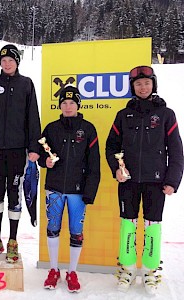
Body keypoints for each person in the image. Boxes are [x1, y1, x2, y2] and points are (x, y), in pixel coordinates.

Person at [105, 66, 184, 295]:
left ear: (153, 85)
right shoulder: (123, 115)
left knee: (152, 227)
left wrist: (172, 179)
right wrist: (116, 169)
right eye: (138, 84)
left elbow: (176, 150)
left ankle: (150, 272)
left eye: (147, 83)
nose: (143, 87)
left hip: (156, 182)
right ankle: (127, 270)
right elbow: (111, 146)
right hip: (128, 182)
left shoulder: (166, 114)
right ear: (133, 87)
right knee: (128, 225)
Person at [0, 44, 41, 263]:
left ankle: (13, 240)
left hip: (18, 149)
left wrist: (34, 148)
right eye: (3, 60)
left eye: (10, 60)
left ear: (17, 62)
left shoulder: (26, 84)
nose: (7, 63)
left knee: (14, 193)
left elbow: (33, 117)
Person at [38, 86, 100, 293]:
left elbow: (94, 164)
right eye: (64, 103)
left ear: (78, 105)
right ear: (60, 105)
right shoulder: (51, 128)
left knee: (76, 232)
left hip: (78, 191)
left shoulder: (88, 129)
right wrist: (44, 161)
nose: (68, 106)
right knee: (53, 229)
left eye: (72, 103)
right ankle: (53, 269)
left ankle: (72, 272)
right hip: (54, 188)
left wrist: (89, 192)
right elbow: (40, 151)